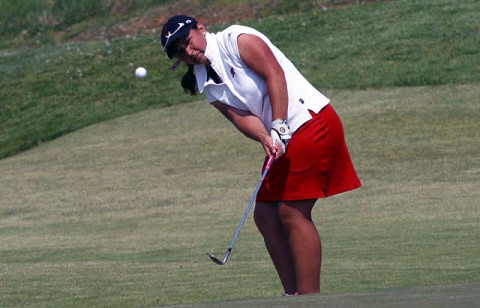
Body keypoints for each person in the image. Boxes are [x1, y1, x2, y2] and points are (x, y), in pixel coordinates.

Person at [160, 15, 361, 296]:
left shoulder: (237, 40)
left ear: (201, 29)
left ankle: (310, 298)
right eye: (179, 51)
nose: (187, 51)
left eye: (187, 41)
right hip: (283, 137)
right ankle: (292, 295)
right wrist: (265, 136)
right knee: (265, 214)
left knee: (291, 212)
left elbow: (274, 75)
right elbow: (238, 116)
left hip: (310, 122)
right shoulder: (202, 79)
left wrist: (278, 123)